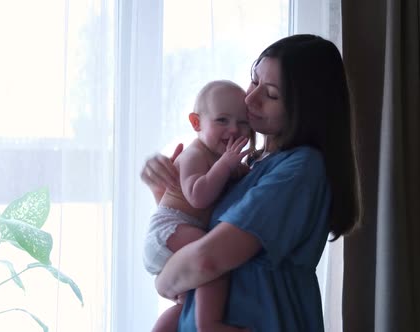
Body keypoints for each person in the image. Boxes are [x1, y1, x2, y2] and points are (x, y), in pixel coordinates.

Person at [141, 34, 362, 331]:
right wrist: (165, 190)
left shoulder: (300, 169)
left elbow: (207, 260)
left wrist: (164, 279)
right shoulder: (254, 162)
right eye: (253, 80)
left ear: (305, 108)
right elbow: (201, 227)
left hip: (262, 319)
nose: (249, 99)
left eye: (270, 94)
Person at [142, 80, 254, 332]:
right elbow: (197, 197)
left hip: (176, 235)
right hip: (169, 229)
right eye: (222, 120)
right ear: (196, 123)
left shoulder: (219, 158)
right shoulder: (195, 155)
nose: (234, 129)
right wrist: (225, 166)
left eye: (243, 122)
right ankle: (209, 325)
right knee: (217, 260)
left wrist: (237, 170)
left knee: (186, 302)